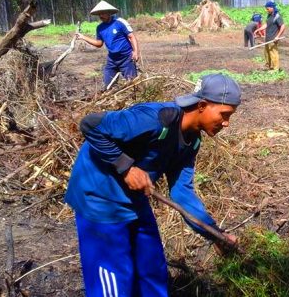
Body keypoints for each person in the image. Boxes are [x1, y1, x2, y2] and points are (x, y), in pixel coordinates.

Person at [65, 73, 241, 296]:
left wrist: (215, 233)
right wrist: (126, 166)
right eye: (224, 114)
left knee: (152, 268)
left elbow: (182, 192)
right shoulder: (154, 118)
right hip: (100, 197)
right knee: (115, 277)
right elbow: (90, 125)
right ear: (203, 105)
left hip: (134, 198)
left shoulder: (192, 140)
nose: (226, 123)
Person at [76, 0, 141, 88]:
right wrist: (83, 37)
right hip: (112, 60)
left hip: (126, 58)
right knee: (107, 86)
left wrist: (136, 52)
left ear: (109, 13)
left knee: (133, 85)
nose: (101, 16)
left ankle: (137, 101)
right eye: (99, 14)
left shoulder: (120, 22)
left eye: (103, 13)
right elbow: (99, 43)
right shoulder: (100, 28)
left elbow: (131, 37)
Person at [254, 1, 286, 71]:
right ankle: (269, 66)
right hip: (267, 38)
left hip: (273, 39)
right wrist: (258, 29)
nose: (266, 10)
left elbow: (283, 26)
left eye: (267, 9)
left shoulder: (277, 16)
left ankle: (275, 69)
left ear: (272, 8)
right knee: (267, 53)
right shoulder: (269, 15)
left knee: (273, 54)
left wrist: (277, 36)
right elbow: (266, 24)